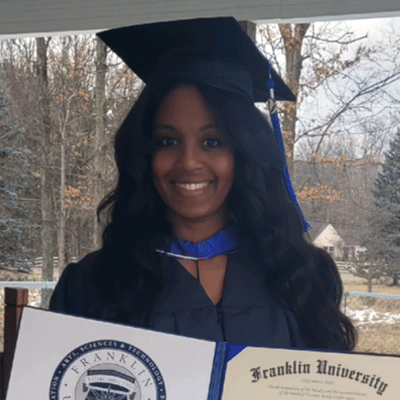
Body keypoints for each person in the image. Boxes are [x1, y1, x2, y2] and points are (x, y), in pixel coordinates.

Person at [50, 17, 357, 351]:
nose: (189, 162)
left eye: (212, 142)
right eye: (167, 142)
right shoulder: (91, 285)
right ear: (144, 154)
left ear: (243, 152)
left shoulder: (301, 275)